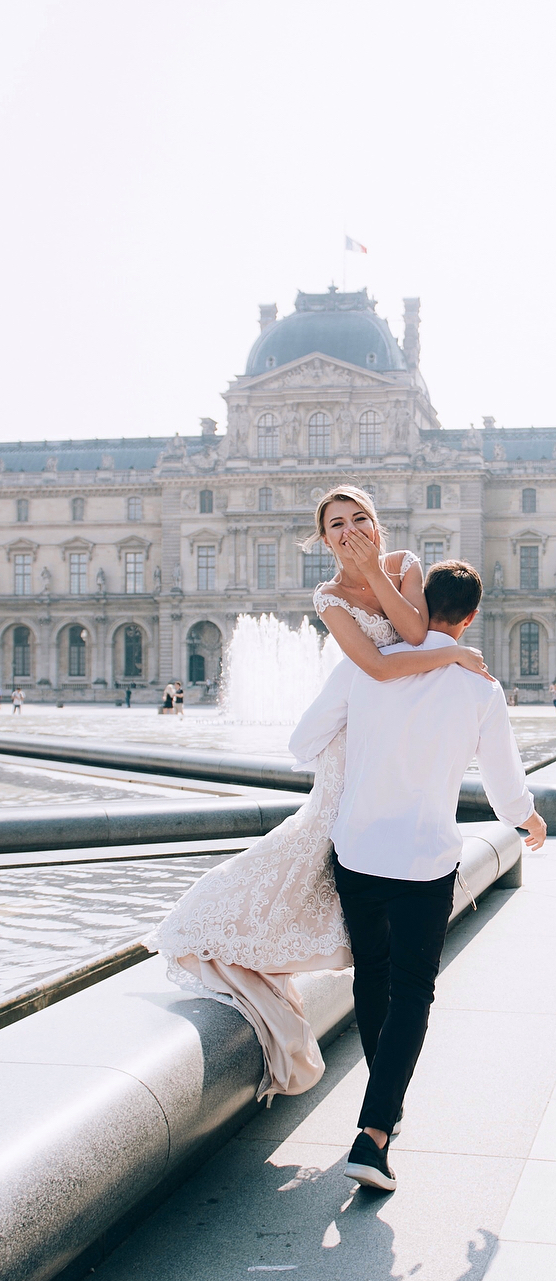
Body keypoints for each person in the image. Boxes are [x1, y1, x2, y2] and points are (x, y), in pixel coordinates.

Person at [146, 486, 494, 1102]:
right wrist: (452, 653)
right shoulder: (329, 597)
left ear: (378, 524)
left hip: (398, 734)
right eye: (337, 524)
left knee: (358, 880)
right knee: (319, 843)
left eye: (360, 518)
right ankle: (216, 921)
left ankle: (382, 1079)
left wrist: (375, 573)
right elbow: (382, 666)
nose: (350, 529)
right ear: (322, 535)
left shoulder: (405, 566)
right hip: (355, 743)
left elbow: (414, 632)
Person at [291, 560, 545, 1190]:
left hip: (357, 852)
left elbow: (303, 743)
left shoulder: (363, 666)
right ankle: (374, 1134)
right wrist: (528, 822)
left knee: (374, 976)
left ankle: (384, 1105)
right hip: (424, 857)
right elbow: (504, 783)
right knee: (412, 991)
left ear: (418, 603)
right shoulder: (479, 687)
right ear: (471, 617)